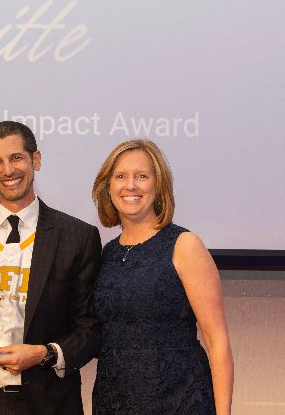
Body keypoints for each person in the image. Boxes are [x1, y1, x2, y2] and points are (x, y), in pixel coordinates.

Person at [0, 121, 102, 415]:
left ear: (35, 159)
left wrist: (44, 353)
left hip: (46, 401)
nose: (8, 170)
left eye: (16, 158)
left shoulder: (77, 236)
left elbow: (90, 329)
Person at [91, 140, 233, 415]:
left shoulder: (184, 244)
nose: (130, 185)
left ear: (158, 186)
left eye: (142, 176)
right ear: (108, 187)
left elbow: (217, 342)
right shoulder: (107, 253)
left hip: (178, 400)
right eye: (120, 176)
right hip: (113, 401)